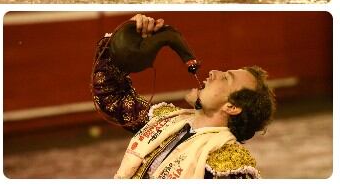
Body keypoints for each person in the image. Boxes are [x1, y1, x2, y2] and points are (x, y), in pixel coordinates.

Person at [93, 14, 275, 178]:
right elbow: (111, 96)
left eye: (226, 78)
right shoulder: (165, 118)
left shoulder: (231, 164)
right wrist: (124, 37)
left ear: (232, 107)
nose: (214, 72)